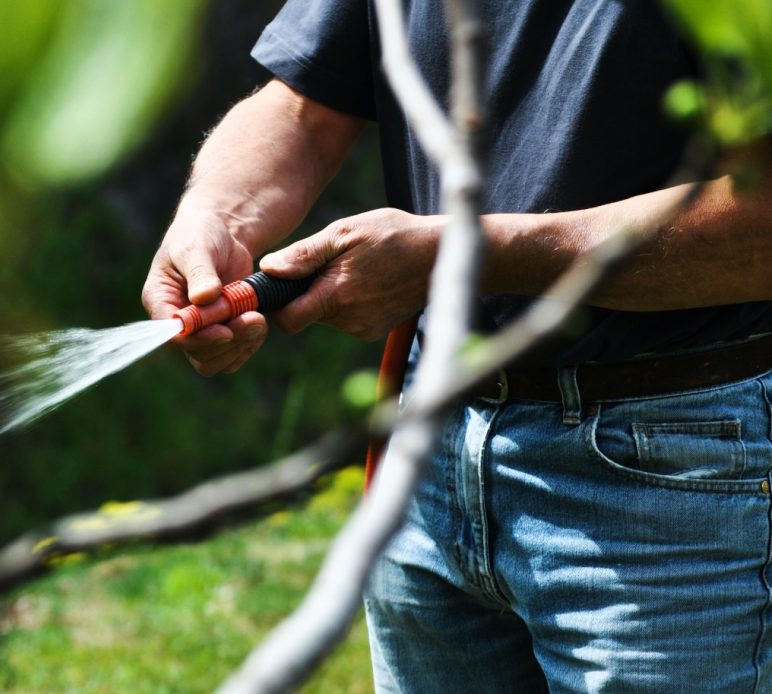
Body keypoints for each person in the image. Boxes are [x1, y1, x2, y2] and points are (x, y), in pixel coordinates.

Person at [142, 1, 772, 691]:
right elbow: (302, 105)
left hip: (674, 474)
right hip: (431, 439)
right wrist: (215, 216)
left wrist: (473, 253)